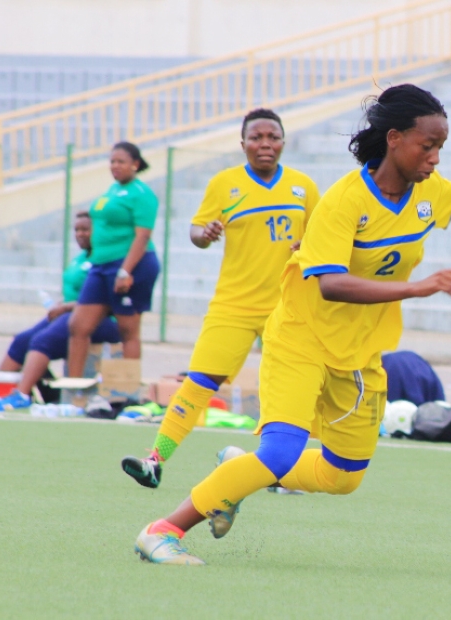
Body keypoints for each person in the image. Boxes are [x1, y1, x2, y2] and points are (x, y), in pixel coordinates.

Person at [132, 83, 451, 565]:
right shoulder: (344, 200)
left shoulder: (427, 192)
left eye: (440, 147)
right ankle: (163, 530)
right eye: (427, 146)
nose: (435, 158)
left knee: (342, 476)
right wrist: (417, 287)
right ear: (393, 139)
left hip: (360, 353)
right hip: (301, 338)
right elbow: (330, 283)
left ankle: (242, 470)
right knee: (282, 450)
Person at [120, 108, 320, 493]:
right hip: (233, 305)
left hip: (288, 308)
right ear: (242, 143)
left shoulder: (303, 187)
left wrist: (306, 246)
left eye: (273, 137)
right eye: (257, 137)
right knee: (198, 383)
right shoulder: (224, 184)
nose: (265, 144)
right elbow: (196, 229)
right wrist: (206, 232)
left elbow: (321, 236)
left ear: (283, 141)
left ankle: (281, 469)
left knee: (289, 390)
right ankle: (155, 461)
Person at [0, 213, 121, 410]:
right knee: (22, 340)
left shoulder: (105, 259)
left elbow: (104, 300)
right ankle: (3, 394)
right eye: (77, 230)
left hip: (100, 319)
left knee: (42, 341)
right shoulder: (80, 258)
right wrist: (62, 305)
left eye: (85, 229)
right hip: (71, 313)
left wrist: (66, 307)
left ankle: (21, 395)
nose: (80, 234)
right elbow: (77, 293)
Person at [66, 142, 159, 380]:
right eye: (112, 162)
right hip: (100, 265)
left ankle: (128, 391)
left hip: (129, 265)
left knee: (128, 330)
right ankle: (73, 389)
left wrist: (125, 271)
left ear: (135, 165)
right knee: (78, 325)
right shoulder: (112, 190)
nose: (115, 166)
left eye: (121, 162)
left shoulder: (142, 194)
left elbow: (143, 235)